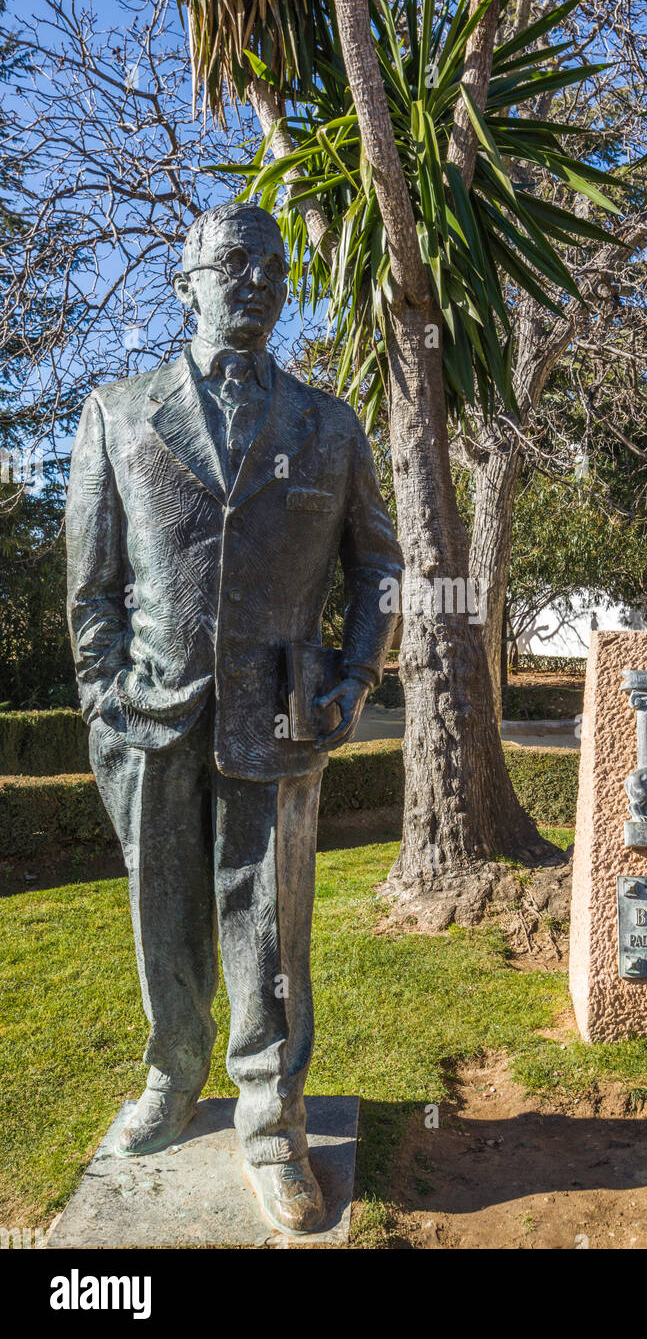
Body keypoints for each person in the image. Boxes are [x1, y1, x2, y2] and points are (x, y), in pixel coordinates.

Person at [66, 200, 402, 1235]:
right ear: (186, 283)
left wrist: (353, 680)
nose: (252, 278)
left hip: (284, 712)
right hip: (150, 717)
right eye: (229, 263)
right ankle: (172, 1079)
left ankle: (270, 1117)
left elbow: (378, 566)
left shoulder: (327, 423)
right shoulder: (116, 414)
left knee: (270, 929)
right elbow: (92, 589)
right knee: (162, 915)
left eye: (270, 265)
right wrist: (106, 694)